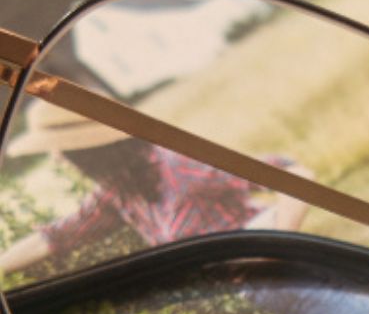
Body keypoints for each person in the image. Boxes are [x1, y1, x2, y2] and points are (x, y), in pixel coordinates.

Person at [0, 99, 310, 275]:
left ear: (85, 153)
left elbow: (293, 173)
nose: (56, 160)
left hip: (300, 279)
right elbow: (54, 238)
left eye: (59, 150)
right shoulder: (119, 192)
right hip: (271, 297)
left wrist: (276, 250)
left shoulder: (179, 167)